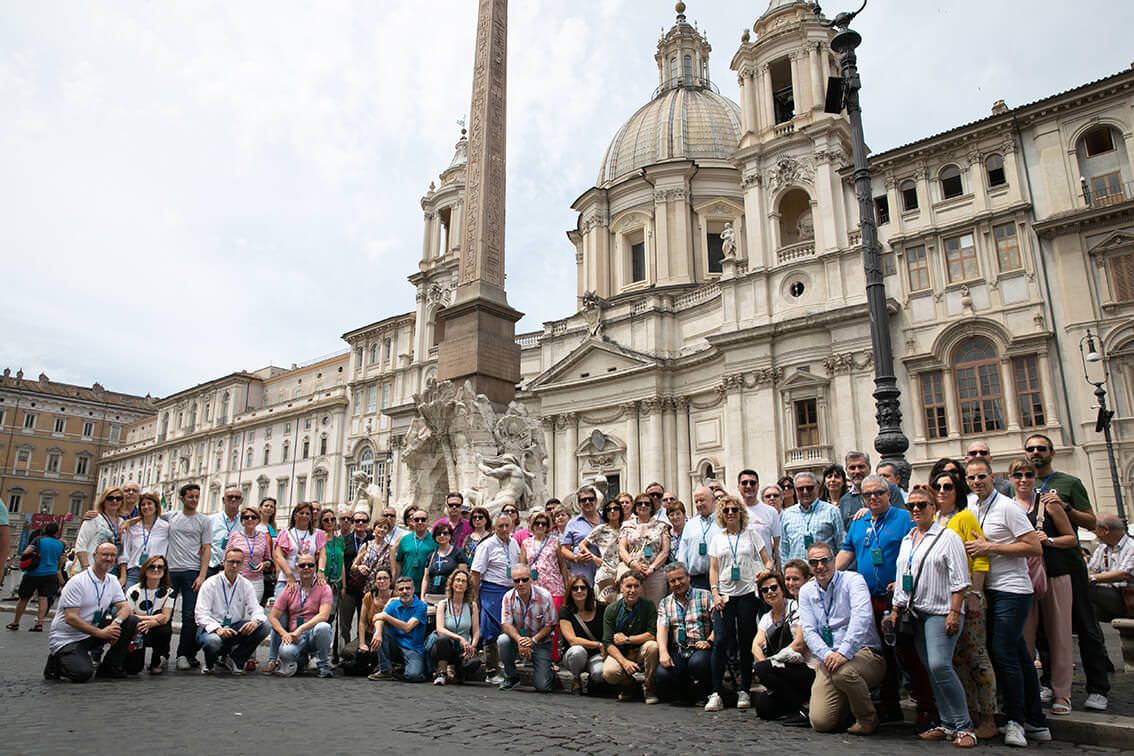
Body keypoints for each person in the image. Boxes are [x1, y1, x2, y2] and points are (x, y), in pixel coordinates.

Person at [963, 456, 1049, 747]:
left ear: (993, 477)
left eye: (981, 477)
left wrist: (990, 547)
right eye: (972, 478)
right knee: (1019, 654)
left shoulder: (1008, 507)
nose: (977, 482)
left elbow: (1033, 546)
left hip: (1012, 589)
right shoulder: (971, 506)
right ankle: (1036, 720)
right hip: (988, 589)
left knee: (1003, 653)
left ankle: (1015, 720)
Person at [1025, 433, 1112, 712]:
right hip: (1039, 567)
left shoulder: (1068, 482)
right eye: (1031, 449)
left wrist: (1067, 507)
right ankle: (1049, 681)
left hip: (1069, 564)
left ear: (1051, 453)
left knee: (1085, 624)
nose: (1036, 453)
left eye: (1041, 448)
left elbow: (1091, 522)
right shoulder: (1025, 485)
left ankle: (1098, 686)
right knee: (1044, 630)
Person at [885, 487, 974, 747]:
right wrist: (895, 609)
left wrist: (954, 612)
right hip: (915, 613)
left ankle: (964, 725)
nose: (915, 509)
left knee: (940, 666)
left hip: (941, 612)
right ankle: (946, 723)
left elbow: (960, 581)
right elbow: (904, 579)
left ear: (933, 508)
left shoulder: (949, 538)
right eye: (911, 505)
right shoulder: (908, 539)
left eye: (921, 505)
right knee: (930, 670)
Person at [836, 474, 922, 725]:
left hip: (898, 599)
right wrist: (830, 572)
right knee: (879, 654)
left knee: (907, 653)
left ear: (888, 494)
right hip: (867, 599)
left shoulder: (903, 517)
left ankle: (925, 706)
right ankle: (889, 705)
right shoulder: (860, 521)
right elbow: (847, 551)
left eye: (878, 493)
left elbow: (915, 551)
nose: (873, 497)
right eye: (867, 494)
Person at [933, 468, 997, 739]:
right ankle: (966, 714)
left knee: (976, 657)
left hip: (967, 596)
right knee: (956, 659)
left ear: (957, 492)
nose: (941, 492)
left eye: (948, 487)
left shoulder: (965, 517)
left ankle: (989, 716)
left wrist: (975, 593)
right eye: (937, 487)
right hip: (943, 600)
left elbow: (980, 557)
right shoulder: (934, 519)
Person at [1011, 457, 1077, 717]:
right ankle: (1030, 691)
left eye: (1028, 474)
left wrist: (1047, 539)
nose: (1024, 479)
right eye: (1018, 475)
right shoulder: (1008, 506)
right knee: (1024, 638)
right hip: (1022, 578)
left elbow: (1071, 538)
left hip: (1054, 574)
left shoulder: (1048, 503)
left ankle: (1062, 694)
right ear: (1011, 478)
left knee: (1059, 635)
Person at [798, 542, 886, 735]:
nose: (820, 566)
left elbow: (861, 619)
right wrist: (828, 654)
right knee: (821, 722)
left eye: (825, 560)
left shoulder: (853, 581)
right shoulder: (806, 591)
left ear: (834, 559)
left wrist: (844, 653)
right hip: (829, 658)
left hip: (864, 653)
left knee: (844, 673)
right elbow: (809, 630)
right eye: (814, 562)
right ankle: (849, 702)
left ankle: (867, 719)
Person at [706, 495, 771, 711]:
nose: (731, 513)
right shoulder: (717, 538)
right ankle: (715, 692)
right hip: (724, 594)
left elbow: (767, 560)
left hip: (746, 593)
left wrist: (766, 572)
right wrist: (714, 594)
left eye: (735, 510)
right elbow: (713, 569)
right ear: (722, 514)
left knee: (745, 641)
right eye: (727, 510)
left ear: (741, 513)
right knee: (721, 640)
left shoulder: (751, 535)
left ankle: (744, 688)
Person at [44, 542, 138, 683]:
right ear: (94, 556)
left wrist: (115, 624)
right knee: (83, 674)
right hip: (69, 637)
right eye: (105, 554)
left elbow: (125, 608)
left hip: (91, 631)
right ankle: (56, 661)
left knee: (130, 621)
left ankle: (109, 666)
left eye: (112, 555)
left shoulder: (112, 580)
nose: (109, 558)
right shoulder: (77, 582)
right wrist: (101, 633)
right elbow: (71, 618)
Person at [263, 501, 325, 673]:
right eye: (301, 513)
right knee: (281, 619)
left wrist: (321, 571)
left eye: (307, 513)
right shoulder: (286, 533)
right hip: (287, 581)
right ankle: (273, 658)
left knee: (306, 618)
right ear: (295, 515)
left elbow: (322, 554)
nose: (304, 516)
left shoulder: (318, 534)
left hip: (308, 581)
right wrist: (289, 574)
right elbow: (278, 555)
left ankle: (304, 656)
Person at [195, 546, 269, 674]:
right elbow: (200, 614)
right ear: (223, 562)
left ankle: (235, 660)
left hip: (234, 628)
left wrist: (255, 621)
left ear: (242, 564)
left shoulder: (246, 584)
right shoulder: (210, 583)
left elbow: (256, 609)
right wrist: (218, 629)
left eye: (238, 562)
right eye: (231, 561)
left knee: (265, 626)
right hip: (212, 628)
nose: (234, 565)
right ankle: (209, 664)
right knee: (213, 641)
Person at [752, 570, 813, 724]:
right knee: (763, 708)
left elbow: (800, 644)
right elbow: (755, 646)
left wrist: (769, 665)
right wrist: (767, 668)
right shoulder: (766, 618)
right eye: (765, 590)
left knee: (763, 668)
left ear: (781, 588)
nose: (770, 592)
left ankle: (803, 708)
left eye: (773, 588)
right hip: (783, 669)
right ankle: (795, 704)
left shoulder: (796, 607)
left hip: (805, 666)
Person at [471, 511, 521, 683]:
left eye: (507, 525)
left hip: (510, 591)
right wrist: (475, 597)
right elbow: (476, 573)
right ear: (494, 527)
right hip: (492, 591)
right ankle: (491, 670)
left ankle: (507, 666)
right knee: (491, 629)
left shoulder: (514, 543)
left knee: (508, 628)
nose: (505, 529)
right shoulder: (486, 545)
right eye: (501, 526)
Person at [166, 483, 212, 671]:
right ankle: (161, 654)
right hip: (170, 571)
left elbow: (207, 548)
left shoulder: (204, 521)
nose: (194, 500)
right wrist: (129, 521)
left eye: (196, 497)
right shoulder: (170, 517)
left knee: (189, 616)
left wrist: (202, 575)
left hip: (192, 571)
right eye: (190, 496)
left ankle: (182, 654)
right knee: (164, 615)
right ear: (182, 498)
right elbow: (148, 518)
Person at [655, 562, 713, 706]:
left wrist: (710, 641)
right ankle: (687, 693)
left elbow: (719, 624)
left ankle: (705, 691)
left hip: (702, 648)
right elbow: (662, 628)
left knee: (697, 664)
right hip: (680, 650)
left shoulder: (705, 595)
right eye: (672, 581)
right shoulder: (665, 603)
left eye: (680, 578)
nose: (677, 583)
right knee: (662, 674)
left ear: (688, 578)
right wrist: (663, 652)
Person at [270, 553, 335, 678]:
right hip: (295, 637)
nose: (306, 568)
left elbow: (324, 615)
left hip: (313, 634)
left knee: (324, 627)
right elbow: (272, 616)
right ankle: (301, 660)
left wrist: (301, 628)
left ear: (315, 567)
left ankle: (323, 665)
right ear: (297, 568)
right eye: (302, 565)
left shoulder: (324, 588)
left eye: (310, 565)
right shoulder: (290, 589)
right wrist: (285, 634)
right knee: (285, 652)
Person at [497, 564, 558, 691]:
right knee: (502, 640)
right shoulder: (508, 597)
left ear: (531, 579)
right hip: (517, 641)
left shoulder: (545, 596)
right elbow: (506, 624)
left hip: (540, 642)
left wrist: (533, 641)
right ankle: (511, 676)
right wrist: (520, 640)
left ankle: (549, 671)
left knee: (542, 687)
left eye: (524, 579)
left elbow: (550, 625)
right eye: (516, 580)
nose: (521, 583)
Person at [602, 570, 659, 703]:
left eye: (636, 586)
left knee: (653, 647)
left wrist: (627, 639)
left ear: (641, 588)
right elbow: (607, 642)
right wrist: (624, 662)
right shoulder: (611, 609)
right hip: (621, 653)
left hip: (640, 651)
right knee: (609, 673)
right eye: (628, 586)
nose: (632, 590)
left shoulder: (648, 606)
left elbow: (652, 635)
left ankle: (649, 686)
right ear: (621, 588)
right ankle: (628, 685)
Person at [521, 510, 566, 660]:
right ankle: (535, 654)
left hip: (555, 586)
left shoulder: (554, 541)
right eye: (537, 523)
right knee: (536, 621)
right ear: (532, 526)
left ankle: (553, 656)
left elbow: (562, 566)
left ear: (548, 526)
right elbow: (522, 566)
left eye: (543, 523)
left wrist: (567, 586)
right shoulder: (526, 543)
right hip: (534, 588)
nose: (540, 526)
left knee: (553, 623)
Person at [8, 521, 66, 632]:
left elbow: (26, 552)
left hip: (33, 573)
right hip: (51, 574)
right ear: (56, 532)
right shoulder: (60, 544)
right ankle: (39, 624)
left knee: (24, 598)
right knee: (43, 598)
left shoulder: (38, 540)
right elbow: (62, 560)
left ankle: (16, 622)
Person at [429, 565, 481, 685]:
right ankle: (441, 672)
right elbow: (440, 628)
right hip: (446, 647)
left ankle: (459, 671)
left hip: (464, 649)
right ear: (452, 583)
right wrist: (459, 638)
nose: (460, 583)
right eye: (457, 580)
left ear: (467, 586)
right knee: (442, 640)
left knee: (475, 662)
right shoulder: (443, 604)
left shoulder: (471, 605)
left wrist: (472, 647)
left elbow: (476, 631)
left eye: (463, 581)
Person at [123, 555, 174, 675]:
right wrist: (153, 618)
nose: (156, 570)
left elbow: (165, 617)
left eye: (160, 567)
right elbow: (129, 615)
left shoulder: (169, 592)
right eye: (152, 566)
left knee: (164, 630)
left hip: (155, 628)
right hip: (137, 629)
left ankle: (156, 661)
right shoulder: (133, 590)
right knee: (133, 669)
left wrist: (151, 623)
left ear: (165, 570)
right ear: (145, 569)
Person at [780, 472, 845, 564]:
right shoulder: (787, 514)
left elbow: (841, 544)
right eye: (800, 489)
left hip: (824, 571)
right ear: (795, 490)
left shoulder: (832, 511)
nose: (805, 492)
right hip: (797, 575)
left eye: (809, 488)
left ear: (817, 487)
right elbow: (784, 548)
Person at [374, 576, 429, 682]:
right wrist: (378, 632)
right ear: (396, 591)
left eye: (408, 588)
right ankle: (385, 670)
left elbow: (407, 627)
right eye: (401, 589)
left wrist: (385, 616)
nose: (404, 591)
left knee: (413, 676)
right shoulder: (393, 604)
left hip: (413, 648)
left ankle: (402, 669)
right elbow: (377, 619)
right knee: (380, 628)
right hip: (395, 645)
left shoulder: (421, 606)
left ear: (413, 590)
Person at [620, 494, 671, 603]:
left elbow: (665, 551)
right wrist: (633, 564)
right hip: (632, 572)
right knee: (633, 607)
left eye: (647, 503)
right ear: (635, 507)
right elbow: (622, 549)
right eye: (639, 503)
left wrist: (652, 568)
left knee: (656, 608)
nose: (643, 506)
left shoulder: (662, 526)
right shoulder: (626, 526)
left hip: (655, 573)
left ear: (652, 507)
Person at [342, 567, 392, 677]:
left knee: (375, 652)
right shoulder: (368, 597)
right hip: (369, 635)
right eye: (379, 579)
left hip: (388, 636)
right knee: (347, 652)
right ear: (375, 581)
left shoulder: (396, 597)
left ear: (390, 580)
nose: (382, 581)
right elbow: (362, 622)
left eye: (385, 578)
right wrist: (362, 643)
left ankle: (379, 663)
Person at [560, 575, 606, 695]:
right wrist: (598, 644)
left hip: (596, 655)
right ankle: (576, 679)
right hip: (574, 655)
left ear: (588, 590)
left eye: (583, 588)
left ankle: (592, 679)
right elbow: (572, 640)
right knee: (577, 651)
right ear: (570, 591)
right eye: (575, 588)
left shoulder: (601, 608)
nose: (579, 591)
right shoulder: (565, 611)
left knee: (599, 674)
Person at [578, 497, 625, 604]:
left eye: (616, 508)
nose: (612, 511)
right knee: (605, 605)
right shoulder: (601, 529)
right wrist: (594, 558)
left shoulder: (626, 528)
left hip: (623, 572)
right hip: (606, 572)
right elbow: (582, 545)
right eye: (609, 509)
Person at [1088, 514, 1134, 621]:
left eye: (1095, 529)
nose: (1094, 534)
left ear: (1106, 530)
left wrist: (1091, 578)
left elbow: (1123, 574)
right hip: (1110, 594)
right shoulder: (1102, 548)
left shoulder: (1131, 547)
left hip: (1126, 596)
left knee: (1086, 589)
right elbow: (1092, 569)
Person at [120, 492, 169, 587]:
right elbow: (124, 553)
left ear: (156, 506)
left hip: (156, 571)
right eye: (143, 504)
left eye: (149, 503)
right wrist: (123, 576)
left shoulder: (165, 527)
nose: (146, 507)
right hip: (135, 571)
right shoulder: (132, 527)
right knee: (130, 600)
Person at [678, 487, 720, 590]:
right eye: (696, 501)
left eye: (702, 500)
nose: (699, 504)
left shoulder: (722, 522)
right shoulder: (690, 524)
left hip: (719, 579)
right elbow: (683, 553)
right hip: (695, 580)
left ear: (713, 501)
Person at [75, 487, 126, 572]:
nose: (114, 501)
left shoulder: (122, 522)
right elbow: (81, 544)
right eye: (110, 498)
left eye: (118, 498)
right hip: (92, 567)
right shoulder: (94, 518)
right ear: (103, 501)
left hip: (113, 569)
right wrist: (85, 567)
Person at [561, 486, 603, 584]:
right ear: (579, 503)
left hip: (604, 567)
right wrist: (575, 557)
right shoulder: (572, 523)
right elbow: (564, 549)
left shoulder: (605, 518)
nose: (587, 502)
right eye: (584, 500)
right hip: (582, 569)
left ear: (596, 501)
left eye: (591, 499)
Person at [740, 469, 781, 564]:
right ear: (738, 486)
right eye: (744, 483)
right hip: (742, 570)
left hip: (765, 569)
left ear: (758, 486)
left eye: (752, 483)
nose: (748, 486)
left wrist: (778, 569)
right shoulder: (733, 512)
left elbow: (778, 547)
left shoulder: (771, 512)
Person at [234, 505, 272, 604]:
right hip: (237, 579)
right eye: (246, 517)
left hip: (256, 581)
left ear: (258, 520)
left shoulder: (265, 534)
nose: (250, 519)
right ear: (242, 521)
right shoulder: (235, 536)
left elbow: (268, 559)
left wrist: (264, 564)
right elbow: (225, 559)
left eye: (253, 517)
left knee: (252, 612)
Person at [393, 508, 436, 596]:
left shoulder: (434, 540)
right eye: (417, 520)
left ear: (428, 521)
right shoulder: (405, 540)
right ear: (412, 521)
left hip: (427, 586)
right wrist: (397, 583)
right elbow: (399, 562)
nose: (420, 522)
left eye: (423, 519)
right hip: (407, 587)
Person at [207, 486, 245, 576]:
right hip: (213, 567)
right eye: (230, 497)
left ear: (241, 500)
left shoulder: (245, 521)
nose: (233, 499)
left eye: (237, 497)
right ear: (223, 500)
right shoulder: (210, 520)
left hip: (237, 569)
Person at [422, 521, 461, 604]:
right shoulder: (431, 555)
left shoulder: (458, 553)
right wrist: (422, 596)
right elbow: (426, 578)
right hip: (431, 597)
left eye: (445, 533)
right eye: (439, 533)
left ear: (450, 535)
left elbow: (463, 576)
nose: (442, 536)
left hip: (449, 597)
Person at [351, 518, 393, 594]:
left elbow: (393, 570)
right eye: (380, 526)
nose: (382, 530)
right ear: (374, 529)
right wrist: (360, 567)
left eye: (385, 528)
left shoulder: (390, 549)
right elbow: (353, 566)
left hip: (380, 586)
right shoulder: (366, 546)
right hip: (363, 585)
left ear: (388, 532)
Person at [317, 507, 345, 601]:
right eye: (326, 520)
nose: (330, 522)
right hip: (321, 582)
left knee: (332, 613)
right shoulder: (317, 538)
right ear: (321, 522)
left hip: (336, 583)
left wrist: (344, 586)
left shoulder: (339, 540)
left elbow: (342, 563)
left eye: (332, 519)